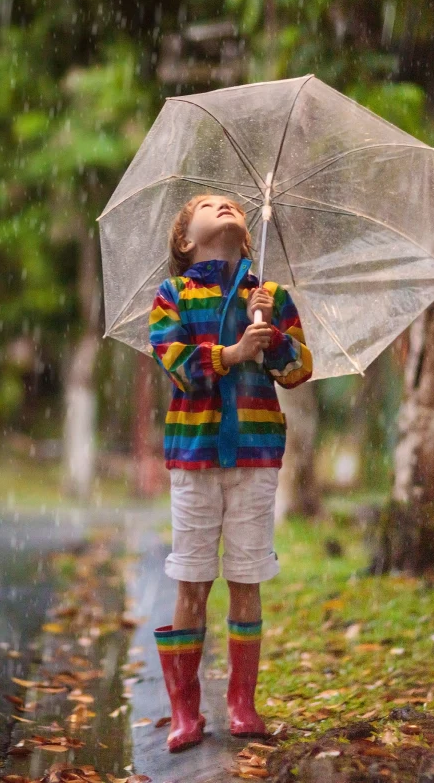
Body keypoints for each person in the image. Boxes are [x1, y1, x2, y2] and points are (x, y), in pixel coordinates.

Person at [148, 194, 313, 752]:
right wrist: (234, 351)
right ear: (184, 240)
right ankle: (184, 710)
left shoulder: (270, 297)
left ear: (248, 236)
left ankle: (242, 702)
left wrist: (272, 339)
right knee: (191, 578)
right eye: (206, 204)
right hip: (194, 456)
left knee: (247, 576)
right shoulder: (172, 295)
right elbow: (175, 363)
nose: (223, 206)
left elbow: (298, 371)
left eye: (230, 203)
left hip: (255, 454)